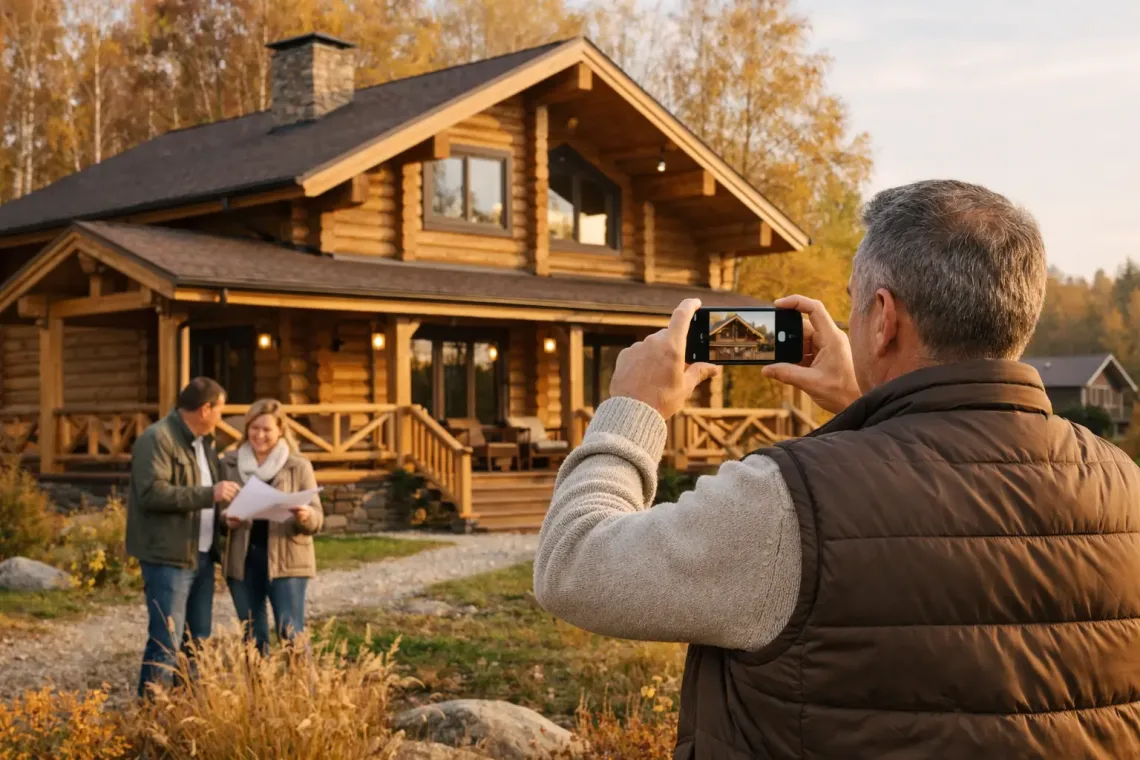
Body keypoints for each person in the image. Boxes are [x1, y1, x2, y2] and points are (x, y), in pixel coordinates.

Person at [533, 179, 1140, 759]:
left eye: (854, 304)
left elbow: (574, 564)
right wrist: (869, 404)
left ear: (884, 318)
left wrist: (633, 409)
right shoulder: (1124, 488)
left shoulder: (789, 503)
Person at [126, 377, 241, 699]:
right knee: (166, 640)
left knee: (197, 640)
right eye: (220, 409)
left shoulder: (204, 443)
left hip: (201, 556)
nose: (221, 416)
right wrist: (210, 494)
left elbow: (206, 499)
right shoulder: (156, 439)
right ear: (205, 409)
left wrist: (224, 518)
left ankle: (186, 710)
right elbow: (151, 493)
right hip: (168, 557)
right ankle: (152, 713)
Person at [221, 399, 323, 655]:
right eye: (254, 428)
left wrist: (306, 515)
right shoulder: (229, 464)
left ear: (280, 430)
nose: (259, 435)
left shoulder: (298, 465)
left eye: (267, 429)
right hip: (243, 560)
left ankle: (300, 682)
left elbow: (317, 518)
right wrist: (227, 519)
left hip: (288, 559)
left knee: (291, 632)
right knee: (252, 636)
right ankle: (258, 682)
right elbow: (217, 515)